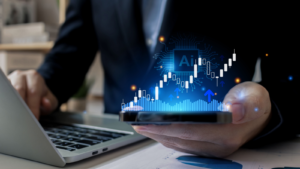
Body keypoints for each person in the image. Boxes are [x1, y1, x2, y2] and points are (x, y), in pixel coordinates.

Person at [7, 0, 298, 157]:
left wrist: (266, 118)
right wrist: (39, 85)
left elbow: (291, 80)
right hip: (111, 148)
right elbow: (68, 56)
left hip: (231, 153)